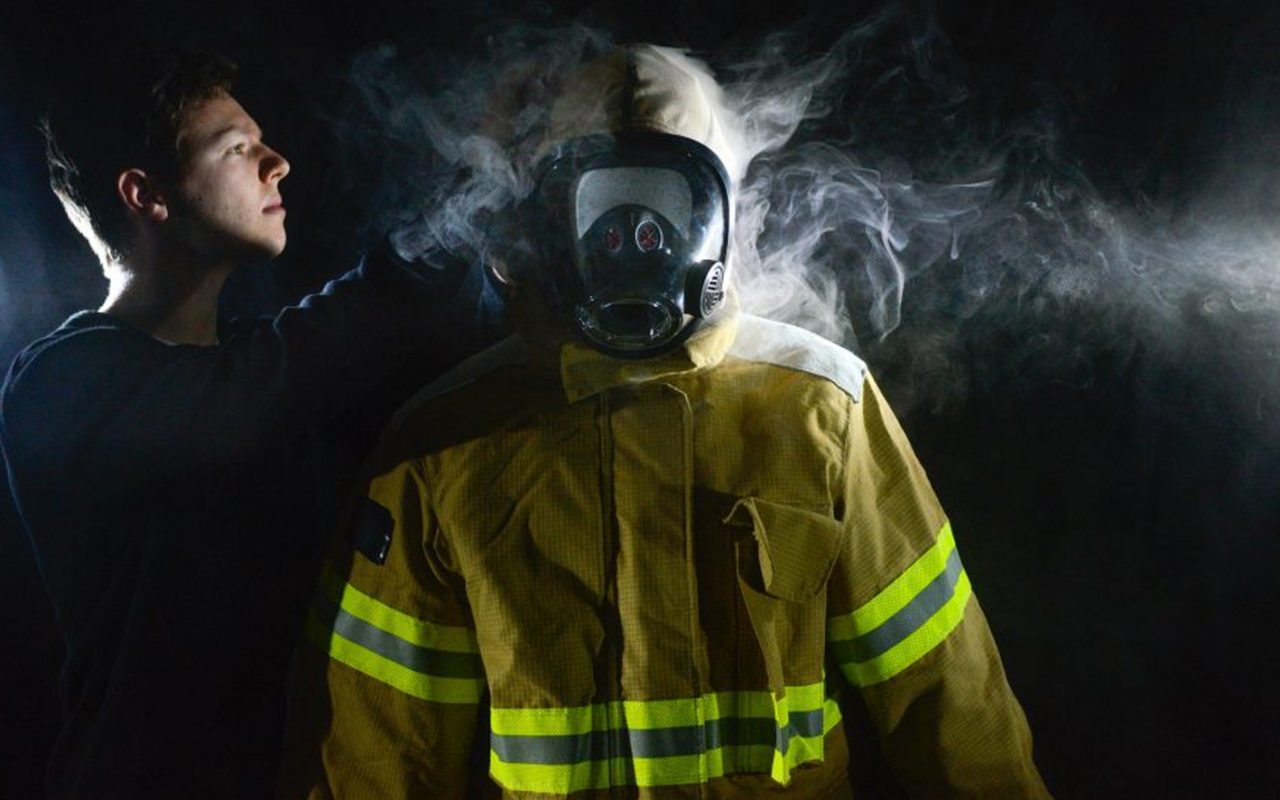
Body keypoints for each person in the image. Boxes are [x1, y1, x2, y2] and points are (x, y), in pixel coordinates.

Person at [291, 44, 1050, 798]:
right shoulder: (441, 448)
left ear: (720, 214)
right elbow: (377, 759)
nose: (629, 245)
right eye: (602, 210)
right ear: (549, 216)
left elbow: (951, 706)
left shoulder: (820, 408)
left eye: (661, 212)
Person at [0, 53, 481, 799]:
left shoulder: (260, 377)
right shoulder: (60, 384)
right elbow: (264, 388)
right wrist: (461, 222)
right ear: (146, 194)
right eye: (235, 148)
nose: (277, 163)